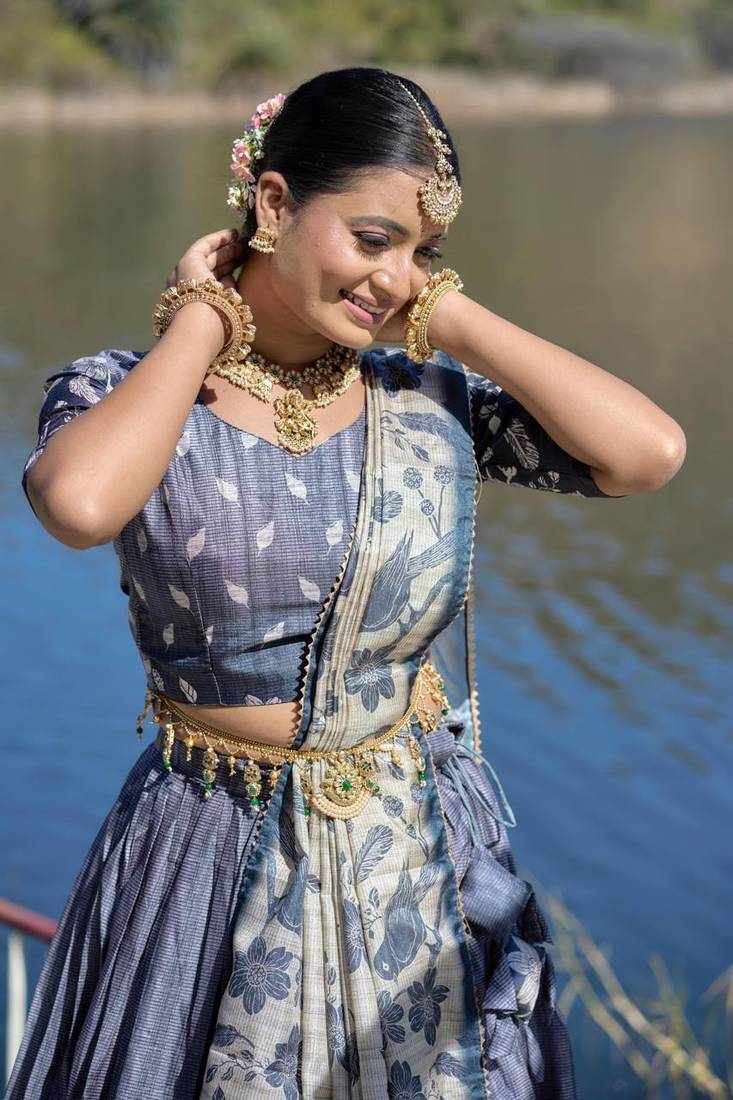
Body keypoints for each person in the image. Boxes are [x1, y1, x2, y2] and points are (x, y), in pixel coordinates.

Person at [8, 66, 686, 1100]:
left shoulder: (425, 399)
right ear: (274, 203)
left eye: (423, 252)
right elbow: (79, 504)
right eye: (373, 240)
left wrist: (449, 316)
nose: (395, 278)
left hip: (417, 848)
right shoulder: (125, 392)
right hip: (212, 848)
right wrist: (202, 318)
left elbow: (644, 455)